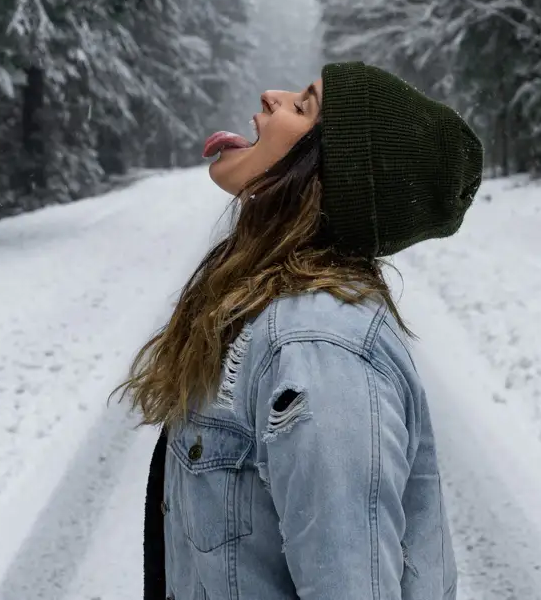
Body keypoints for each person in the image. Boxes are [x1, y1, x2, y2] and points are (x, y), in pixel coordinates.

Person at [119, 60, 483, 600]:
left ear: (328, 178)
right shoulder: (264, 306)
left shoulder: (317, 349)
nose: (271, 95)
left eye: (303, 105)